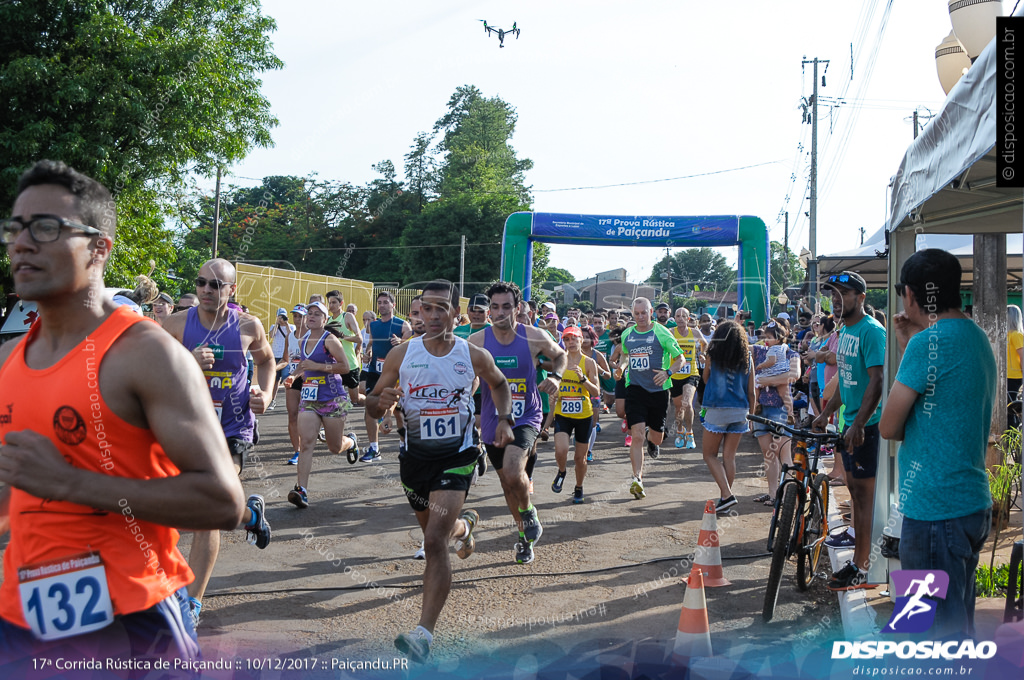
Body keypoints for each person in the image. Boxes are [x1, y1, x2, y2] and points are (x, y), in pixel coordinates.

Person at [0, 160, 244, 662]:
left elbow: (222, 502)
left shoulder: (146, 355)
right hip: (25, 618)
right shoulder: (7, 359)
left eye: (45, 228)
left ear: (99, 248)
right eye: (14, 229)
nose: (21, 243)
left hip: (136, 619)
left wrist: (70, 483)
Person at [366, 280, 513, 664]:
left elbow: (499, 384)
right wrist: (377, 402)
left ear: (454, 314)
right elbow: (372, 405)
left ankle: (422, 635)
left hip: (458, 456)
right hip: (414, 460)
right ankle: (464, 528)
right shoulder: (401, 355)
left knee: (433, 542)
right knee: (439, 530)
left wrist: (504, 419)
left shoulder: (473, 354)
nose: (431, 316)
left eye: (440, 308)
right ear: (417, 313)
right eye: (424, 309)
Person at [879, 249, 996, 638]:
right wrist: (911, 342)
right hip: (969, 503)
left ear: (912, 295)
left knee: (930, 633)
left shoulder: (927, 343)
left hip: (933, 508)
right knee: (955, 621)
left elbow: (889, 425)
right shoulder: (976, 337)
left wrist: (913, 344)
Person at [162, 258, 275, 624]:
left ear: (231, 289)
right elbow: (155, 374)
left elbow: (267, 361)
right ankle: (250, 514)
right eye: (201, 283)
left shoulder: (247, 325)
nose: (207, 290)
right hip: (189, 427)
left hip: (233, 427)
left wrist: (266, 394)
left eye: (215, 284)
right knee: (208, 505)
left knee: (210, 506)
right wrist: (187, 361)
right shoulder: (177, 324)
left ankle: (192, 605)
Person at [469, 282, 566, 564]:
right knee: (507, 482)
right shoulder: (476, 341)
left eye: (507, 306)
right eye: (495, 307)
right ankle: (524, 537)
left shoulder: (534, 336)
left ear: (518, 308)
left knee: (513, 471)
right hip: (492, 417)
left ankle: (529, 513)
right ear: (489, 311)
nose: (500, 313)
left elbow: (559, 355)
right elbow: (470, 374)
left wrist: (556, 377)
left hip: (526, 415)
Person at [813, 271, 886, 591]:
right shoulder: (844, 331)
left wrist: (858, 424)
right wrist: (827, 413)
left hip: (867, 427)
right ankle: (859, 562)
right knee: (856, 495)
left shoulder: (872, 332)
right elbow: (845, 379)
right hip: (849, 425)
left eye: (844, 293)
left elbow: (878, 380)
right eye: (833, 295)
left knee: (866, 499)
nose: (837, 300)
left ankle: (864, 568)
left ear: (862, 298)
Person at [286, 301, 358, 508]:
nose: (312, 317)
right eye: (310, 313)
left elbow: (345, 367)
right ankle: (302, 490)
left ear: (325, 320)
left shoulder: (330, 339)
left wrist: (317, 366)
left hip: (332, 398)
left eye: (317, 314)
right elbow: (303, 364)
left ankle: (351, 442)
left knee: (334, 447)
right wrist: (293, 376)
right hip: (309, 398)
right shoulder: (303, 339)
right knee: (306, 442)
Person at [619, 298, 685, 499]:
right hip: (635, 389)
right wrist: (622, 367)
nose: (640, 317)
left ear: (651, 312)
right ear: (632, 313)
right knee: (636, 435)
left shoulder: (661, 332)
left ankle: (653, 439)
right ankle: (637, 479)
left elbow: (680, 358)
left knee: (656, 437)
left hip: (658, 390)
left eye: (643, 313)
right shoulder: (627, 334)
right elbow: (624, 355)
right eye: (636, 313)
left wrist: (668, 372)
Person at [700, 321, 755, 513]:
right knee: (729, 456)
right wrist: (752, 417)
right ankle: (725, 498)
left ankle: (727, 494)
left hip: (717, 408)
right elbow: (752, 391)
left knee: (709, 455)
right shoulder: (747, 356)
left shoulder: (713, 355)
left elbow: (705, 379)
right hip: (741, 410)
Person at [551, 326, 599, 503]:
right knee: (561, 449)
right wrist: (554, 392)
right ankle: (562, 471)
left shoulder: (588, 363)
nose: (570, 342)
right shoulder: (559, 361)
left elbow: (596, 392)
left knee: (580, 458)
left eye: (574, 339)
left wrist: (583, 379)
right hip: (562, 413)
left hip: (583, 416)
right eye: (567, 339)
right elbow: (552, 383)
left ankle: (579, 487)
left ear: (581, 340)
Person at [362, 292, 411, 461]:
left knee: (398, 413)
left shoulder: (402, 324)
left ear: (393, 305)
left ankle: (403, 445)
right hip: (376, 372)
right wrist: (367, 353)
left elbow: (413, 343)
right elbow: (370, 343)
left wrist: (401, 342)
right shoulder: (373, 325)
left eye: (385, 302)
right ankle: (374, 449)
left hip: (395, 374)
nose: (382, 305)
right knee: (370, 408)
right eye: (379, 302)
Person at [670, 307, 707, 449]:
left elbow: (705, 344)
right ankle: (680, 430)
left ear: (688, 319)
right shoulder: (670, 333)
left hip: (691, 372)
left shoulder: (694, 332)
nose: (680, 318)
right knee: (679, 406)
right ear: (674, 318)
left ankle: (690, 433)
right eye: (677, 316)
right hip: (674, 374)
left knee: (687, 403)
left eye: (683, 316)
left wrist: (702, 354)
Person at [326, 290, 363, 405]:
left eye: (334, 303)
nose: (331, 306)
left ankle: (370, 402)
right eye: (329, 303)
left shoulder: (347, 317)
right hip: (335, 365)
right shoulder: (328, 320)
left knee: (355, 400)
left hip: (350, 364)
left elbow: (359, 339)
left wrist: (342, 336)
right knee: (333, 400)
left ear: (341, 303)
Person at [754, 322, 795, 422]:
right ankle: (790, 413)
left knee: (756, 383)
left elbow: (771, 361)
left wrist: (761, 365)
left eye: (768, 337)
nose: (765, 340)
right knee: (785, 394)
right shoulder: (785, 347)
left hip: (771, 372)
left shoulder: (772, 350)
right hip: (782, 373)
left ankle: (756, 404)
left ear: (777, 339)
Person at [285, 304, 308, 465]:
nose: (297, 319)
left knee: (308, 416)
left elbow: (306, 363)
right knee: (292, 415)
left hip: (310, 379)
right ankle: (297, 451)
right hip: (293, 379)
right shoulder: (290, 336)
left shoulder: (312, 336)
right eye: (295, 316)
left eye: (300, 316)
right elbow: (285, 360)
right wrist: (274, 370)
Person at [269, 308, 293, 411]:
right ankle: (272, 400)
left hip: (286, 356)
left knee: (286, 379)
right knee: (275, 380)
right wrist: (277, 323)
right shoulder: (274, 327)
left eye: (283, 316)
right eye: (280, 316)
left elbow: (291, 335)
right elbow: (271, 335)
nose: (282, 318)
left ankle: (290, 401)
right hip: (275, 355)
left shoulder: (291, 326)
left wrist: (286, 323)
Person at [1008, 305, 1023, 426]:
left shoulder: (1016, 335)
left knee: (1011, 408)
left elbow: (1022, 356)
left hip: (1014, 376)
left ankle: (1012, 437)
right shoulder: (1006, 335)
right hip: (1006, 375)